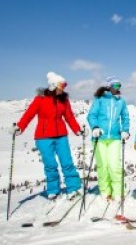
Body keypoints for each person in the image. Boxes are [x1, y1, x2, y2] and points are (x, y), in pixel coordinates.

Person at [16, 71, 82, 200]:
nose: (63, 90)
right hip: (43, 137)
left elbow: (69, 116)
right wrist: (20, 127)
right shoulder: (40, 99)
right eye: (61, 86)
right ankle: (53, 190)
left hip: (61, 136)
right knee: (50, 165)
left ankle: (73, 188)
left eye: (64, 87)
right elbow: (29, 114)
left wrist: (77, 130)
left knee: (67, 162)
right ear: (52, 86)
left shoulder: (64, 100)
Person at [86, 77, 130, 202]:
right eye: (116, 86)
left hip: (115, 137)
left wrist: (125, 130)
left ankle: (117, 191)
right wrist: (94, 127)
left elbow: (125, 117)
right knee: (103, 166)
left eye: (119, 86)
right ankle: (105, 191)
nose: (118, 88)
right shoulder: (99, 99)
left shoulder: (121, 101)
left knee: (114, 165)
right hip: (99, 137)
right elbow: (92, 115)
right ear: (108, 86)